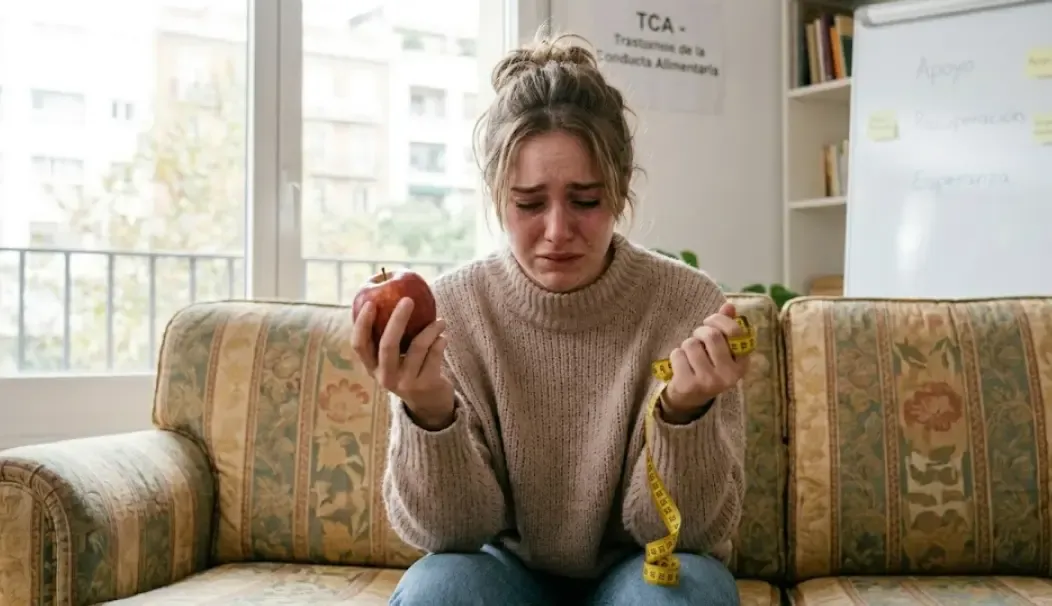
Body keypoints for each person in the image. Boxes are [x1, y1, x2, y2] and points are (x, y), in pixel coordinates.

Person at [351, 32, 749, 606]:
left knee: (685, 594)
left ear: (620, 190)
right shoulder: (450, 311)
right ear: (496, 196)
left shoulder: (689, 306)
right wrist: (430, 413)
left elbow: (689, 537)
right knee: (436, 590)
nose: (558, 232)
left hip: (637, 568)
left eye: (586, 201)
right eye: (529, 203)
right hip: (504, 574)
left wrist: (685, 416)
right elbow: (449, 537)